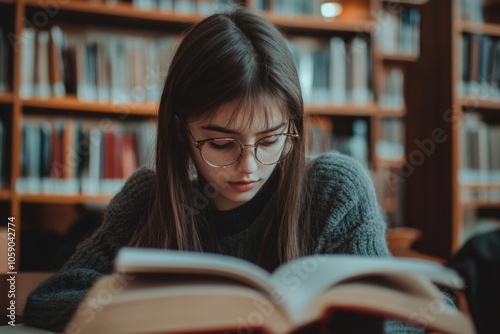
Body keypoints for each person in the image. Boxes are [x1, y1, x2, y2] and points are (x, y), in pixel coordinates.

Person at [24, 6, 424, 333]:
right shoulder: (148, 200)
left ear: (294, 128)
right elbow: (48, 300)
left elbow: (410, 314)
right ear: (181, 132)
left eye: (270, 141)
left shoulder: (335, 191)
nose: (248, 166)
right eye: (220, 143)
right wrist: (166, 315)